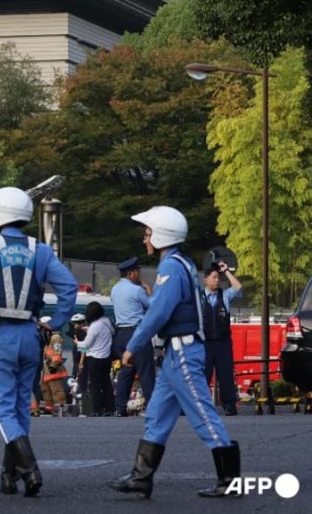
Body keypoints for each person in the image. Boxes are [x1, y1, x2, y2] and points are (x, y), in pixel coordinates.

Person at [108, 206, 240, 499]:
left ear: (161, 234)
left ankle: (230, 481)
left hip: (182, 353)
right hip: (176, 353)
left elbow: (157, 313)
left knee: (203, 414)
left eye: (147, 233)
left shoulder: (170, 267)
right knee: (156, 414)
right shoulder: (181, 262)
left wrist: (132, 347)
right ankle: (142, 477)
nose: (145, 239)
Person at [0, 187, 78, 497]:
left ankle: (30, 470)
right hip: (30, 332)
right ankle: (8, 476)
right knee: (20, 407)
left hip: (1, 332)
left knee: (2, 408)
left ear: (0, 215)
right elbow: (68, 287)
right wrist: (56, 323)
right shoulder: (40, 249)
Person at [111, 257, 156, 417]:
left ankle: (120, 407)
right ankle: (153, 407)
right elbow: (152, 307)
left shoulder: (115, 289)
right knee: (146, 371)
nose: (139, 275)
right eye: (138, 272)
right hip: (137, 333)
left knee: (126, 372)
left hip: (121, 334)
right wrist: (149, 293)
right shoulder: (137, 290)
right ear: (131, 273)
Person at [203, 262, 243, 416]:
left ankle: (229, 405)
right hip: (205, 343)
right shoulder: (199, 298)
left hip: (223, 342)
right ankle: (200, 407)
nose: (217, 280)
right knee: (203, 376)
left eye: (218, 277)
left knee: (225, 374)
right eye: (213, 277)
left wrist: (226, 271)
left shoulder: (224, 296)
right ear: (205, 280)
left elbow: (238, 287)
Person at [76, 302, 115, 416]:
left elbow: (86, 345)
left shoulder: (94, 326)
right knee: (106, 384)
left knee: (95, 385)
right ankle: (110, 408)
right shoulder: (106, 321)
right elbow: (111, 332)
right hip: (107, 358)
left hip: (95, 359)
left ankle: (96, 409)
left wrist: (77, 342)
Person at [38, 316, 66, 417]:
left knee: (56, 389)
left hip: (54, 369)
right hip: (47, 370)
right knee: (45, 388)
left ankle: (60, 407)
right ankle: (49, 407)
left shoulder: (55, 338)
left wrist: (54, 365)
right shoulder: (48, 339)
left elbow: (57, 352)